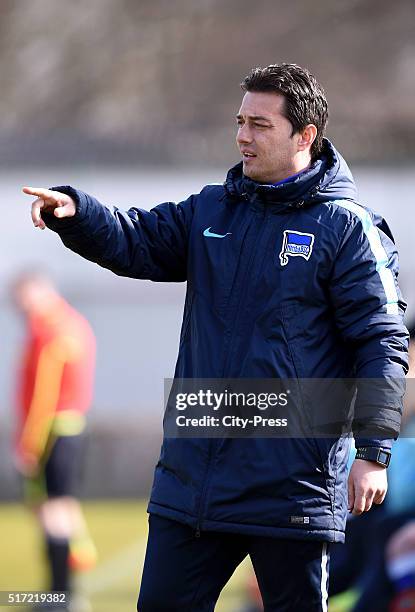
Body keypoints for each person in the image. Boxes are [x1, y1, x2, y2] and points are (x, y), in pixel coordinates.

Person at [22, 63, 408, 611]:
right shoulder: (212, 207)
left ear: (306, 136)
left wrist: (373, 450)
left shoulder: (347, 228)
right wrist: (78, 213)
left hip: (292, 482)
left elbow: (381, 341)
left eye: (260, 125)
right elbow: (136, 240)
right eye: (240, 121)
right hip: (195, 477)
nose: (243, 137)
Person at [12, 271, 97, 602]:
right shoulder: (73, 323)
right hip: (70, 426)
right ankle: (65, 585)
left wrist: (29, 441)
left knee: (52, 510)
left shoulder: (47, 330)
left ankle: (59, 594)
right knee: (59, 507)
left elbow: (42, 394)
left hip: (52, 429)